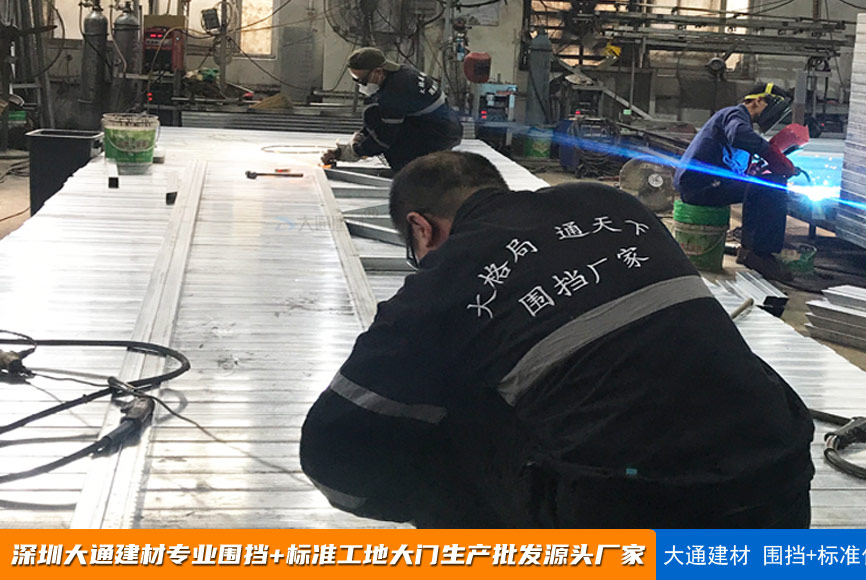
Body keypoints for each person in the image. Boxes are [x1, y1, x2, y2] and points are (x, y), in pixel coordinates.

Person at [300, 151, 814, 528]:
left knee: (455, 414)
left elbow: (330, 450)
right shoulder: (614, 204)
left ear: (421, 229)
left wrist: (420, 502)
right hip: (781, 485)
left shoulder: (448, 277)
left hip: (643, 517)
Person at [674, 83, 800, 281]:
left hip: (705, 185)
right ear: (758, 100)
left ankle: (749, 250)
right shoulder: (734, 114)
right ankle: (759, 254)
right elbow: (739, 134)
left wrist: (754, 170)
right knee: (771, 186)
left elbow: (731, 160)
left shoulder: (737, 120)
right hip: (699, 187)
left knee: (760, 183)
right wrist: (771, 154)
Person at [322, 48, 463, 171]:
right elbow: (380, 123)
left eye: (362, 80)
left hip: (439, 135)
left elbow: (384, 138)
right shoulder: (402, 72)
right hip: (446, 127)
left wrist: (353, 152)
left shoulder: (394, 93)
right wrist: (353, 143)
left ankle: (411, 169)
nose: (360, 85)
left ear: (378, 72)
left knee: (373, 117)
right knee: (374, 113)